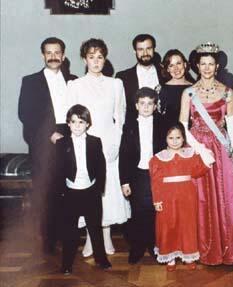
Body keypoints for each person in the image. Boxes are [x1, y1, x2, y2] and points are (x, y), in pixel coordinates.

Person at [179, 42, 233, 265]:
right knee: (201, 199)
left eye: (211, 64)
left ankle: (227, 249)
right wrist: (199, 148)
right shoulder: (188, 92)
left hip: (220, 149)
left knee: (226, 199)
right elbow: (182, 126)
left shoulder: (227, 92)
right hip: (198, 149)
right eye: (203, 63)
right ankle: (203, 248)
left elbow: (232, 125)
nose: (207, 68)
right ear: (197, 66)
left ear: (217, 67)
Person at [67, 38, 129, 257]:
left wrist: (115, 144)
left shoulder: (116, 84)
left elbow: (120, 117)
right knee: (87, 192)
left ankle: (105, 236)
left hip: (108, 143)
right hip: (84, 144)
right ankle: (91, 241)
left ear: (105, 58)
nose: (96, 61)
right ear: (85, 59)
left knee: (107, 191)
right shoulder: (75, 85)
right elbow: (72, 117)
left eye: (100, 57)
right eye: (91, 57)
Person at [18, 37, 77, 254]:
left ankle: (69, 238)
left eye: (57, 52)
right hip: (45, 144)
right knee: (47, 193)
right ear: (43, 55)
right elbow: (26, 114)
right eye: (49, 53)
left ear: (63, 55)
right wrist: (49, 134)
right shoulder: (30, 81)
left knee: (69, 191)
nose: (53, 56)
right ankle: (48, 241)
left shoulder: (73, 80)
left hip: (71, 141)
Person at [56, 104, 112, 275]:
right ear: (68, 124)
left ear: (88, 124)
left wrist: (99, 189)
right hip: (71, 192)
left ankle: (101, 259)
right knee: (70, 232)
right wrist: (61, 192)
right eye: (73, 122)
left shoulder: (95, 142)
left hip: (90, 192)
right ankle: (66, 263)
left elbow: (101, 167)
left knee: (95, 229)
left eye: (81, 122)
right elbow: (57, 169)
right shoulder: (61, 142)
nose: (77, 126)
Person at [150, 123, 212, 271]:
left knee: (187, 226)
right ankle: (170, 257)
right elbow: (155, 181)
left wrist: (206, 157)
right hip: (167, 197)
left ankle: (189, 256)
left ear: (183, 138)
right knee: (168, 226)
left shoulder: (190, 154)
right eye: (171, 138)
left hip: (187, 196)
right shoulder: (158, 158)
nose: (175, 141)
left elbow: (198, 171)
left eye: (178, 137)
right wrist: (157, 200)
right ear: (165, 139)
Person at [119, 88, 166, 264]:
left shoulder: (162, 123)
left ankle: (155, 245)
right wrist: (124, 181)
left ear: (155, 106)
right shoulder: (129, 125)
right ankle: (137, 247)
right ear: (136, 105)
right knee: (138, 212)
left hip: (157, 173)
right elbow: (123, 155)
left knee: (156, 211)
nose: (146, 107)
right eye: (142, 103)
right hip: (137, 174)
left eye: (150, 103)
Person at [116, 34, 163, 124]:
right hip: (134, 130)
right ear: (135, 51)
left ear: (154, 49)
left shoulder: (165, 74)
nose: (145, 53)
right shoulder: (123, 77)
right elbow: (119, 111)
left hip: (161, 129)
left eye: (148, 48)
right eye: (141, 49)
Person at [158, 49, 193, 128]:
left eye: (178, 63)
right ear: (167, 69)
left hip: (192, 135)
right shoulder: (161, 89)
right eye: (171, 65)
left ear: (185, 64)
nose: (176, 68)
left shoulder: (195, 88)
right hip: (168, 135)